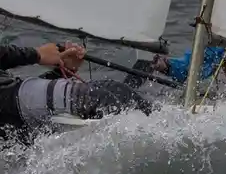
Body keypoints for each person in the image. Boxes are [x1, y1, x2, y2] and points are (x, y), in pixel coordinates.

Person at [0, 41, 151, 136]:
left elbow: (15, 107)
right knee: (100, 98)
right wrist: (37, 55)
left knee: (117, 89)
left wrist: (62, 70)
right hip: (12, 105)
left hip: (14, 109)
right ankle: (148, 142)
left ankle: (161, 126)